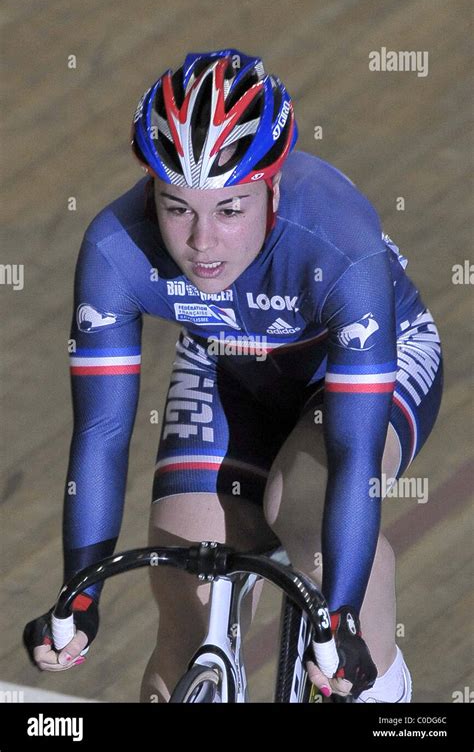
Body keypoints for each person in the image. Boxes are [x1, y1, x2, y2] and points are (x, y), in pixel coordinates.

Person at [24, 48, 443, 703]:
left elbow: (356, 455)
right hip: (227, 365)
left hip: (347, 368)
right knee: (182, 581)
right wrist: (81, 590)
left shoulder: (337, 238)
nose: (201, 243)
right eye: (176, 206)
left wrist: (342, 620)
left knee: (305, 517)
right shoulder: (116, 247)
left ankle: (378, 692)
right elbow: (102, 432)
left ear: (273, 185)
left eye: (229, 208)